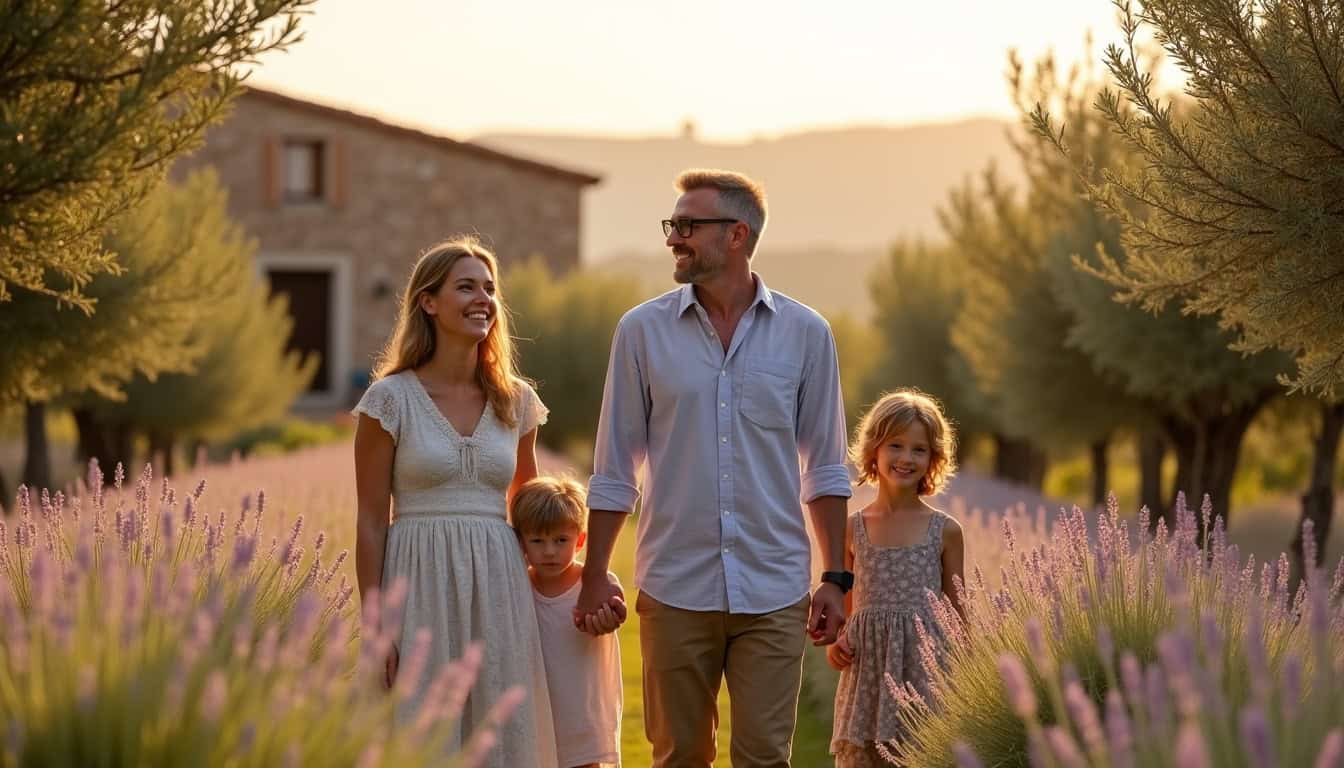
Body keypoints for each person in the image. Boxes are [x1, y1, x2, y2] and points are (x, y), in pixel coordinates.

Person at [577, 168, 854, 768]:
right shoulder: (641, 331)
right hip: (675, 585)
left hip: (774, 588)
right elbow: (614, 466)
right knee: (679, 757)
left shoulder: (807, 335)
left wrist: (835, 577)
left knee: (764, 759)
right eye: (671, 225)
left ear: (737, 234)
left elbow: (827, 467)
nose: (673, 238)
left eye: (686, 226)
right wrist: (595, 572)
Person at [352, 235, 558, 768]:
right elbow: (373, 520)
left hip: (499, 583)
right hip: (417, 581)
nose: (483, 299)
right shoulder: (389, 400)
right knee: (423, 734)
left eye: (489, 289)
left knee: (499, 729)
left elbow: (530, 512)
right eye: (465, 286)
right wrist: (377, 628)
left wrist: (574, 579)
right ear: (428, 301)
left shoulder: (516, 401)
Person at [827, 389, 966, 768]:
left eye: (919, 450)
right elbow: (848, 613)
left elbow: (959, 618)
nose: (906, 458)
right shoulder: (852, 529)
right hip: (867, 681)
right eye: (896, 445)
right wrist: (837, 645)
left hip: (924, 676)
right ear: (874, 449)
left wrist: (961, 683)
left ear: (933, 458)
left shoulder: (946, 531)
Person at [512, 476, 624, 768]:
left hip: (583, 720)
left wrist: (611, 616)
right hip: (537, 717)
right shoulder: (517, 586)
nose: (549, 551)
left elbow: (613, 614)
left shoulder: (595, 585)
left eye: (561, 540)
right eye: (538, 540)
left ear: (580, 540)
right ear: (521, 541)